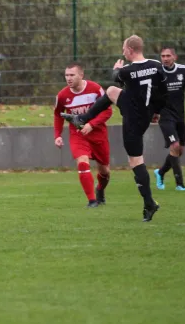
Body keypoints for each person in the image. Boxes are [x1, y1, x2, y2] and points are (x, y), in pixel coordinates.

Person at [61, 35, 168, 222]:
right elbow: (163, 91)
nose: (122, 51)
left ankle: (149, 203)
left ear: (131, 50)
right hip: (144, 110)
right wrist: (156, 111)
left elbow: (116, 76)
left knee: (136, 161)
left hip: (133, 117)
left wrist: (116, 68)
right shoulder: (157, 65)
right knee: (111, 91)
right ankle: (82, 118)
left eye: (124, 48)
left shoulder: (126, 70)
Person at [54, 63, 112, 207]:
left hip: (98, 134)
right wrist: (58, 135)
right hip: (78, 134)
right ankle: (92, 200)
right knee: (82, 163)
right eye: (66, 75)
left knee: (105, 171)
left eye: (72, 75)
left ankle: (100, 190)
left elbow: (107, 111)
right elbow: (58, 115)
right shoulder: (62, 95)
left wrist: (92, 125)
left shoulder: (95, 89)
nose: (68, 78)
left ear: (81, 75)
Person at [153, 46, 185, 191]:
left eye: (168, 56)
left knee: (179, 150)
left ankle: (160, 172)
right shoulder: (157, 72)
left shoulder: (183, 71)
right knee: (174, 146)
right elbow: (152, 95)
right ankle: (180, 184)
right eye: (163, 56)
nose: (165, 59)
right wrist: (154, 113)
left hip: (180, 115)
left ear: (175, 57)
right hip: (165, 115)